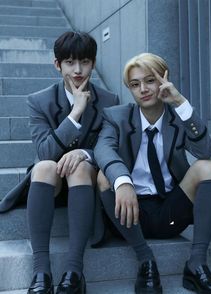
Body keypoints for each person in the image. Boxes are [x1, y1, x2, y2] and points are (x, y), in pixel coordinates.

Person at [94, 53, 211, 294]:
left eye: (150, 81)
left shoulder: (178, 117)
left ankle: (197, 263)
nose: (143, 89)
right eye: (135, 84)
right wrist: (123, 182)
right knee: (104, 177)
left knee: (210, 167)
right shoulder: (116, 116)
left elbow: (205, 150)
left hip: (170, 211)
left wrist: (180, 102)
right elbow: (102, 150)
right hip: (128, 214)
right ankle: (145, 259)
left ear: (164, 80)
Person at [0, 31, 118, 294]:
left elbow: (110, 147)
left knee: (80, 166)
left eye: (85, 62)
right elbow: (45, 152)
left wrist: (83, 153)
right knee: (43, 166)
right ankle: (41, 270)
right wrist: (76, 112)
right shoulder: (39, 101)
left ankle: (75, 270)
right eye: (70, 62)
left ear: (94, 63)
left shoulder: (109, 101)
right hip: (48, 184)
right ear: (57, 64)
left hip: (85, 184)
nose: (78, 70)